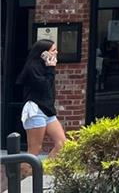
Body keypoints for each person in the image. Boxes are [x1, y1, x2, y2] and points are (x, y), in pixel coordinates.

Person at [16, 39, 66, 177]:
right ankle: (23, 177)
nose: (56, 52)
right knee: (35, 149)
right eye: (53, 50)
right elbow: (43, 87)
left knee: (62, 144)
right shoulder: (33, 68)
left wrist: (50, 68)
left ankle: (42, 172)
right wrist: (50, 68)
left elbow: (49, 91)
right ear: (43, 53)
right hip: (35, 110)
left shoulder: (46, 66)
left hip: (48, 110)